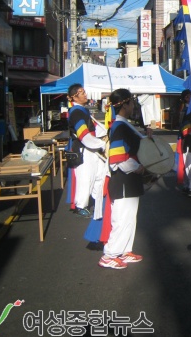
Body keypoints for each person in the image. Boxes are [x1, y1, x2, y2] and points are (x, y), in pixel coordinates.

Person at [99, 88, 146, 269]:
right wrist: (138, 168)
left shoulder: (123, 124)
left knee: (129, 218)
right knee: (122, 219)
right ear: (125, 104)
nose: (134, 106)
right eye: (132, 102)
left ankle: (124, 251)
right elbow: (117, 159)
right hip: (124, 179)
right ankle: (109, 255)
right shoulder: (120, 126)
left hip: (129, 180)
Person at [67, 84, 107, 218]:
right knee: (86, 178)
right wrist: (101, 143)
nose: (85, 94)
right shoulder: (77, 112)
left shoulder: (80, 110)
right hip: (84, 149)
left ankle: (96, 200)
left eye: (84, 92)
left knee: (97, 174)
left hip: (90, 148)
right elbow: (83, 135)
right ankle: (81, 206)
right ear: (74, 97)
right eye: (81, 92)